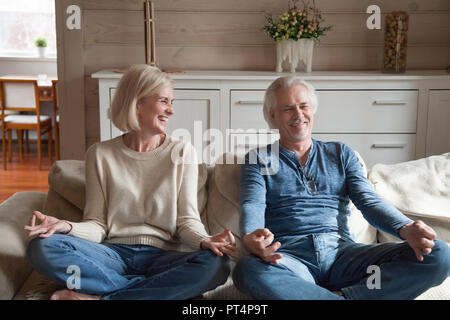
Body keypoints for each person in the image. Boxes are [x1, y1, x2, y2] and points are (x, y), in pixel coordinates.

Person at [25, 64, 237, 300]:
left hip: (163, 256)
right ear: (138, 104)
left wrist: (205, 240)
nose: (171, 111)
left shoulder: (182, 151)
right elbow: (97, 224)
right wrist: (67, 226)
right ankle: (148, 290)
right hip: (111, 254)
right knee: (42, 248)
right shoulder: (100, 154)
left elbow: (187, 220)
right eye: (164, 101)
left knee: (216, 264)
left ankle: (101, 296)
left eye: (171, 102)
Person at [232, 76, 450, 300]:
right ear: (273, 116)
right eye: (288, 108)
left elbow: (368, 200)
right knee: (247, 270)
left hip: (346, 258)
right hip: (290, 260)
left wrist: (405, 228)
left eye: (304, 106)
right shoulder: (258, 159)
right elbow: (252, 203)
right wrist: (250, 236)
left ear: (312, 110)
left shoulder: (340, 153)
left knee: (439, 253)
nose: (298, 114)